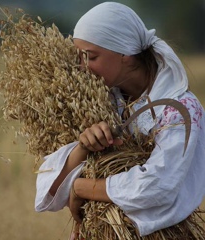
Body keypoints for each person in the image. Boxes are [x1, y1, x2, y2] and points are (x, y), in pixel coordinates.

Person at [35, 2, 205, 237]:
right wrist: (84, 147)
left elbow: (159, 186)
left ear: (125, 53)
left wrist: (83, 187)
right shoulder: (99, 100)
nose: (82, 67)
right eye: (79, 57)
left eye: (91, 57)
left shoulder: (181, 110)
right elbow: (51, 189)